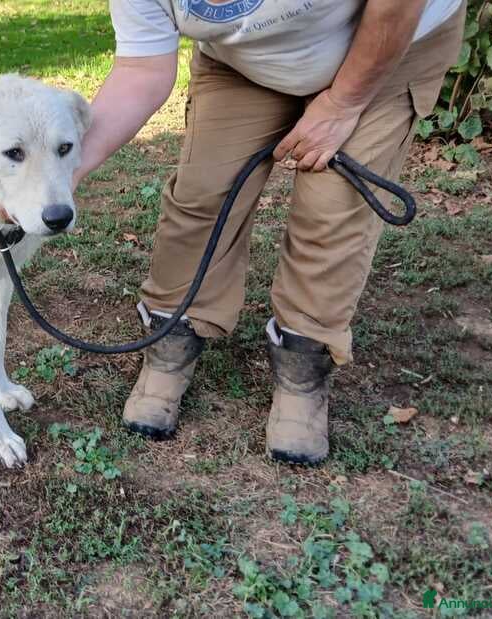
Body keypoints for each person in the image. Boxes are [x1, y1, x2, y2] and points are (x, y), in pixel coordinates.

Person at [73, 0, 466, 464]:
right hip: (246, 61)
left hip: (388, 39)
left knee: (333, 210)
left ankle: (304, 366)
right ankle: (171, 345)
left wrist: (343, 103)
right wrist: (59, 174)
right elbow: (141, 69)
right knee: (203, 194)